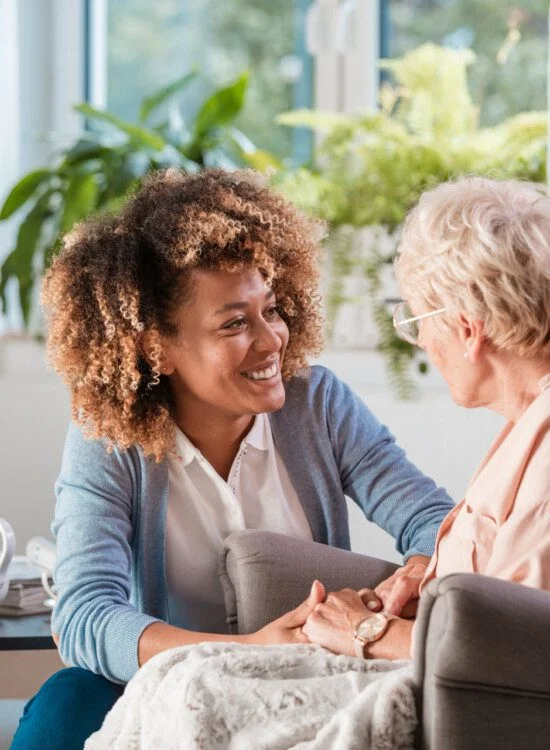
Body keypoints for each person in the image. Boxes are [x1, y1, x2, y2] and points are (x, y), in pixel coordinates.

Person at [10, 168, 453, 750]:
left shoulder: (317, 404)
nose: (272, 340)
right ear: (156, 349)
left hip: (303, 680)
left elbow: (435, 520)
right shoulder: (108, 440)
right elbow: (86, 616)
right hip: (163, 684)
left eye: (270, 309)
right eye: (235, 323)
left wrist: (417, 572)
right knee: (68, 702)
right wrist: (247, 651)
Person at [303, 176, 550, 661]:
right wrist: (434, 583)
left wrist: (365, 631)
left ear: (466, 330)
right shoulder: (526, 421)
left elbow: (519, 652)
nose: (420, 343)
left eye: (415, 322)